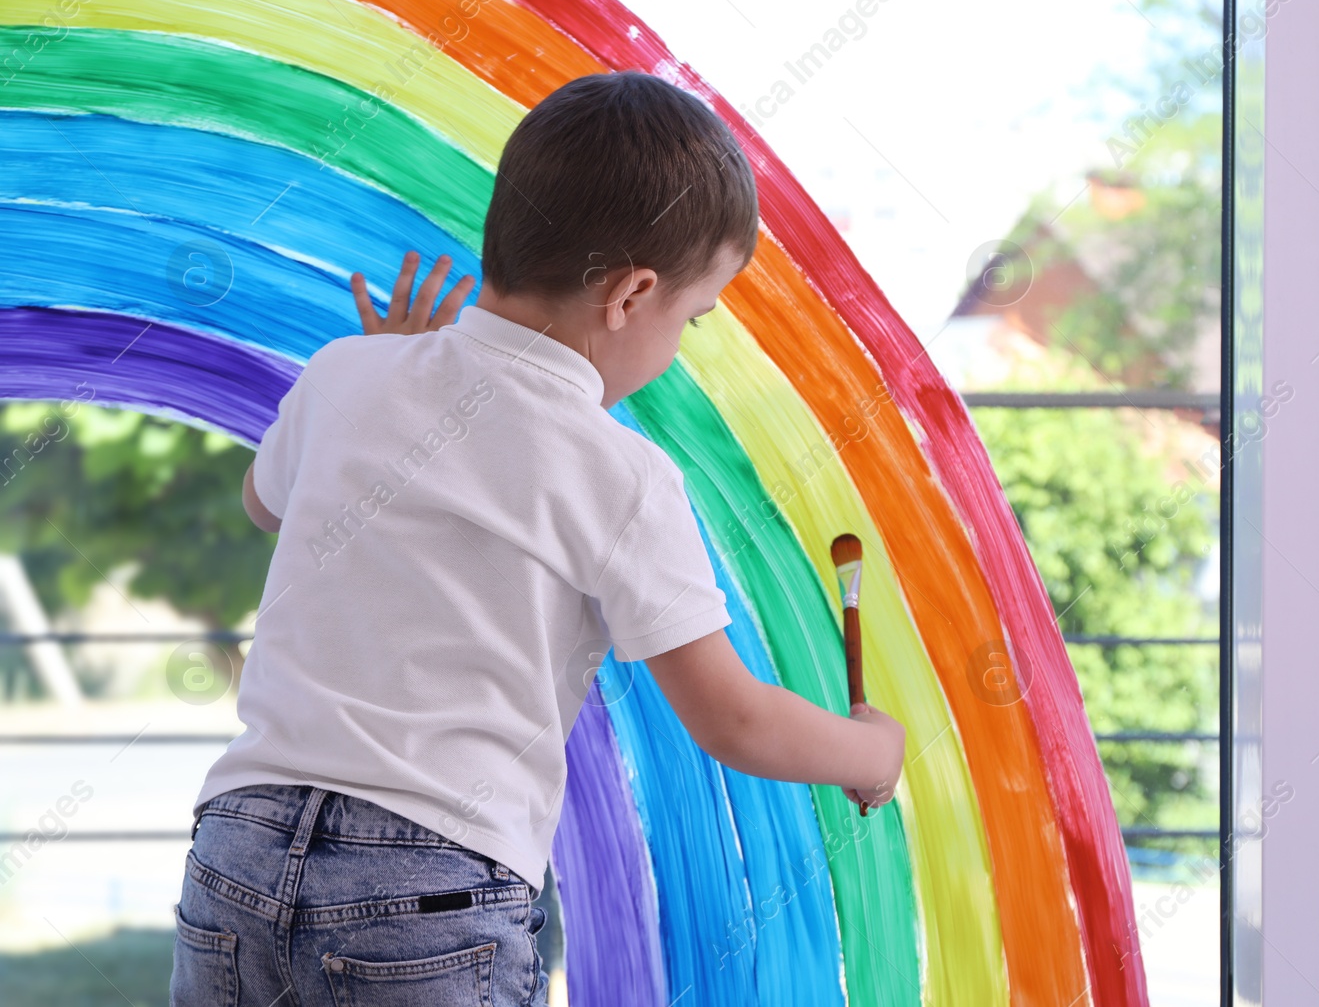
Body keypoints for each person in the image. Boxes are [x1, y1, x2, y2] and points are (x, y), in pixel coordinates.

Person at [170, 71, 906, 1007]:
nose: (678, 343)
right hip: (427, 894)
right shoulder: (621, 472)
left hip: (238, 851)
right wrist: (871, 750)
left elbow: (265, 502)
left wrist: (387, 364)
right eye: (692, 316)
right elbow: (736, 718)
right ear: (633, 295)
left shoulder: (344, 374)